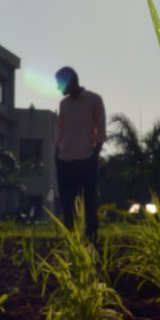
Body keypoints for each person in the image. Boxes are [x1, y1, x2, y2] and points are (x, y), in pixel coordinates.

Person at [54, 65, 106, 242]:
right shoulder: (64, 104)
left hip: (86, 158)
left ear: (70, 82)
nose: (58, 87)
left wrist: (94, 156)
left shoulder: (94, 100)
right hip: (64, 158)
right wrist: (57, 152)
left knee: (88, 200)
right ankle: (70, 236)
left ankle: (91, 236)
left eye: (60, 83)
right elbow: (61, 130)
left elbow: (100, 130)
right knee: (67, 201)